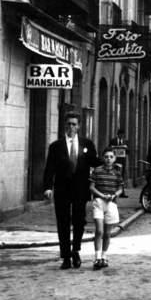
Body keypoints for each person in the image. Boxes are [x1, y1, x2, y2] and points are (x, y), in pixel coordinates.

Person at [42, 112, 101, 270]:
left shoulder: (87, 144)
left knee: (79, 221)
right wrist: (47, 187)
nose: (71, 127)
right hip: (62, 189)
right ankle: (66, 256)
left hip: (80, 189)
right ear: (65, 125)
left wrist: (110, 162)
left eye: (74, 124)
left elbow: (95, 162)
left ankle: (76, 250)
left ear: (79, 126)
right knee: (63, 222)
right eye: (68, 124)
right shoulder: (56, 146)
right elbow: (49, 168)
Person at [89, 148, 124, 270]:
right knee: (99, 231)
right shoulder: (97, 171)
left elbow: (120, 188)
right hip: (99, 202)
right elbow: (91, 187)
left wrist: (114, 195)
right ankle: (97, 257)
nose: (108, 159)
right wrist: (102, 195)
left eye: (111, 157)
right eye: (106, 157)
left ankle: (104, 256)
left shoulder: (117, 173)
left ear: (114, 159)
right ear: (103, 158)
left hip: (111, 203)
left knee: (107, 233)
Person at [107, 129, 129, 197]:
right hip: (114, 160)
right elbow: (108, 149)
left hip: (122, 161)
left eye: (123, 135)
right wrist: (112, 148)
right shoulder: (113, 141)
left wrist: (126, 148)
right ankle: (112, 191)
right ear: (118, 134)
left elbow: (128, 152)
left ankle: (122, 192)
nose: (122, 136)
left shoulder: (125, 141)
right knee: (113, 175)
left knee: (121, 177)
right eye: (120, 135)